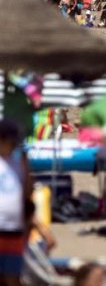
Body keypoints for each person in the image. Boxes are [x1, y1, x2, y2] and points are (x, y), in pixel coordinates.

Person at [0, 120, 31, 286]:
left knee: (13, 277)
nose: (13, 145)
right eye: (10, 141)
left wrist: (27, 165)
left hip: (14, 229)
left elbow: (27, 193)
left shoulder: (18, 164)